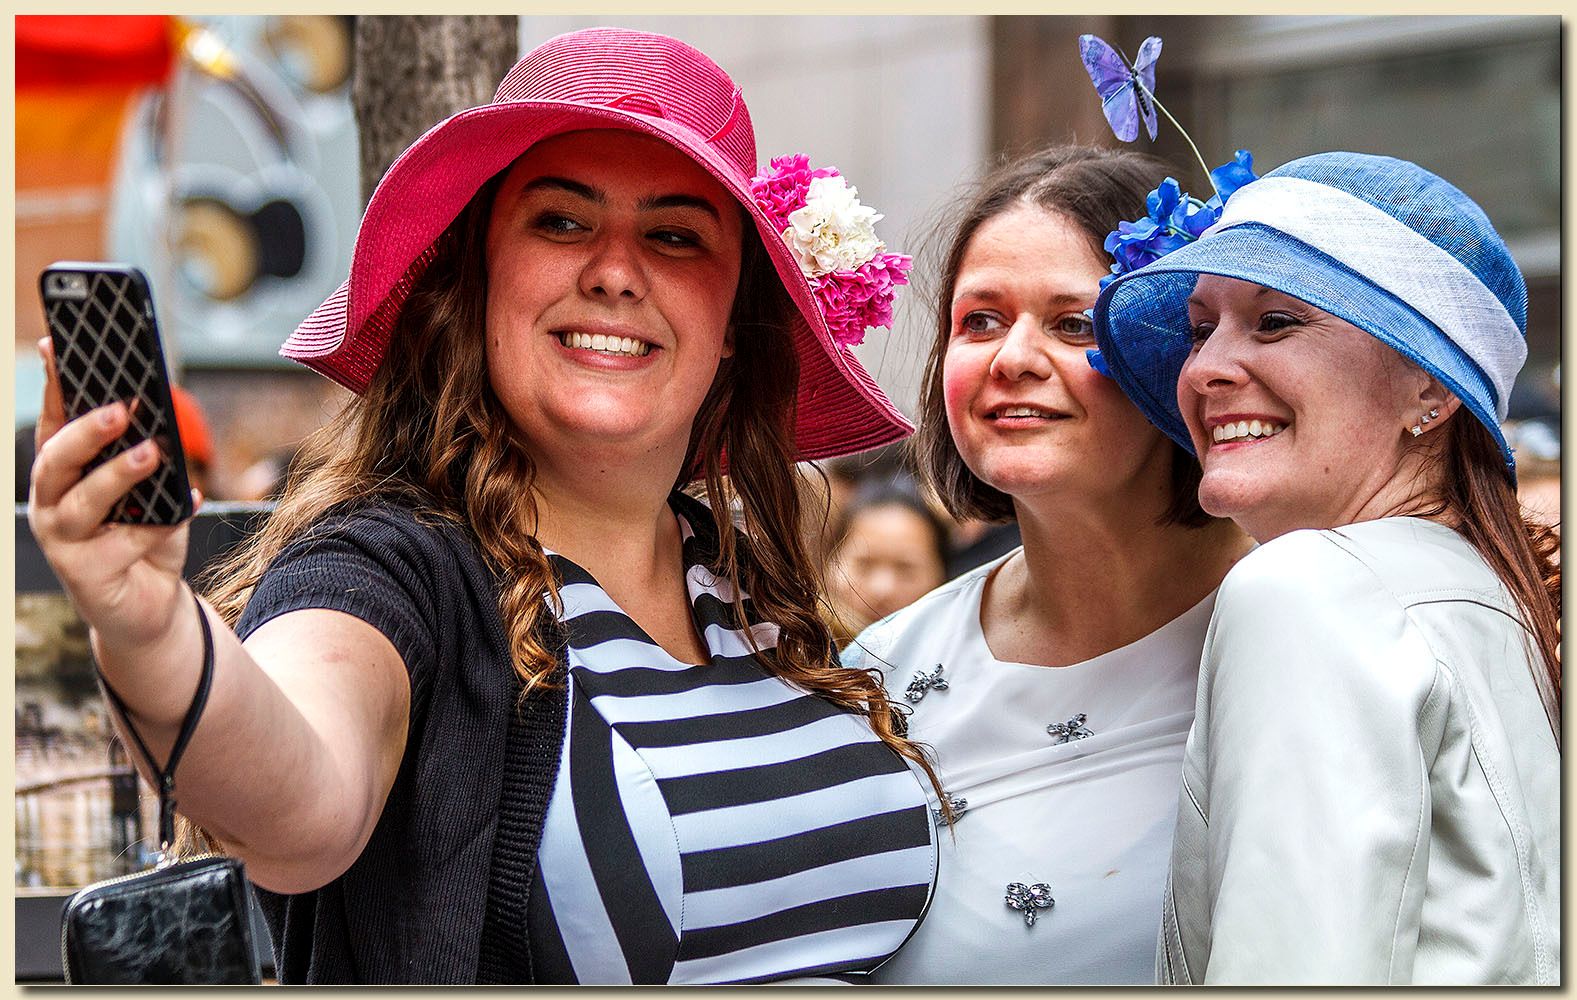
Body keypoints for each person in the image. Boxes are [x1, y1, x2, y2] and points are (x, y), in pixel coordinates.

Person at [29, 29, 942, 985]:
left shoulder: (755, 585)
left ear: (730, 324)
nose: (616, 272)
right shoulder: (389, 573)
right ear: (478, 281)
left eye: (675, 235)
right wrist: (148, 628)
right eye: (561, 221)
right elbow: (301, 806)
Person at [1091, 151, 1560, 984]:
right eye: (1202, 329)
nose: (1202, 370)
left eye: (1275, 322)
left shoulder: (1309, 588)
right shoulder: (1497, 601)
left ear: (1430, 388)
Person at [842, 145, 1251, 984]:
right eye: (979, 320)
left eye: (1072, 324)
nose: (1012, 359)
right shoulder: (876, 672)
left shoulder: (1296, 631)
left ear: (1178, 355)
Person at [825, 484, 949, 645]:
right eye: (863, 565)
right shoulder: (796, 653)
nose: (882, 590)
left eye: (906, 569)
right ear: (830, 562)